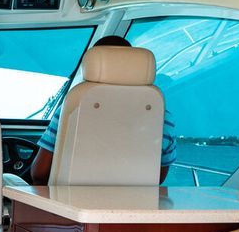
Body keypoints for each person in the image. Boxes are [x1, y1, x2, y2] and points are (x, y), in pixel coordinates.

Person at [26, 35, 175, 185]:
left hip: (72, 199)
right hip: (135, 200)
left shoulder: (73, 106)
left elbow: (39, 173)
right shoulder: (161, 115)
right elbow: (158, 178)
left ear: (90, 65)